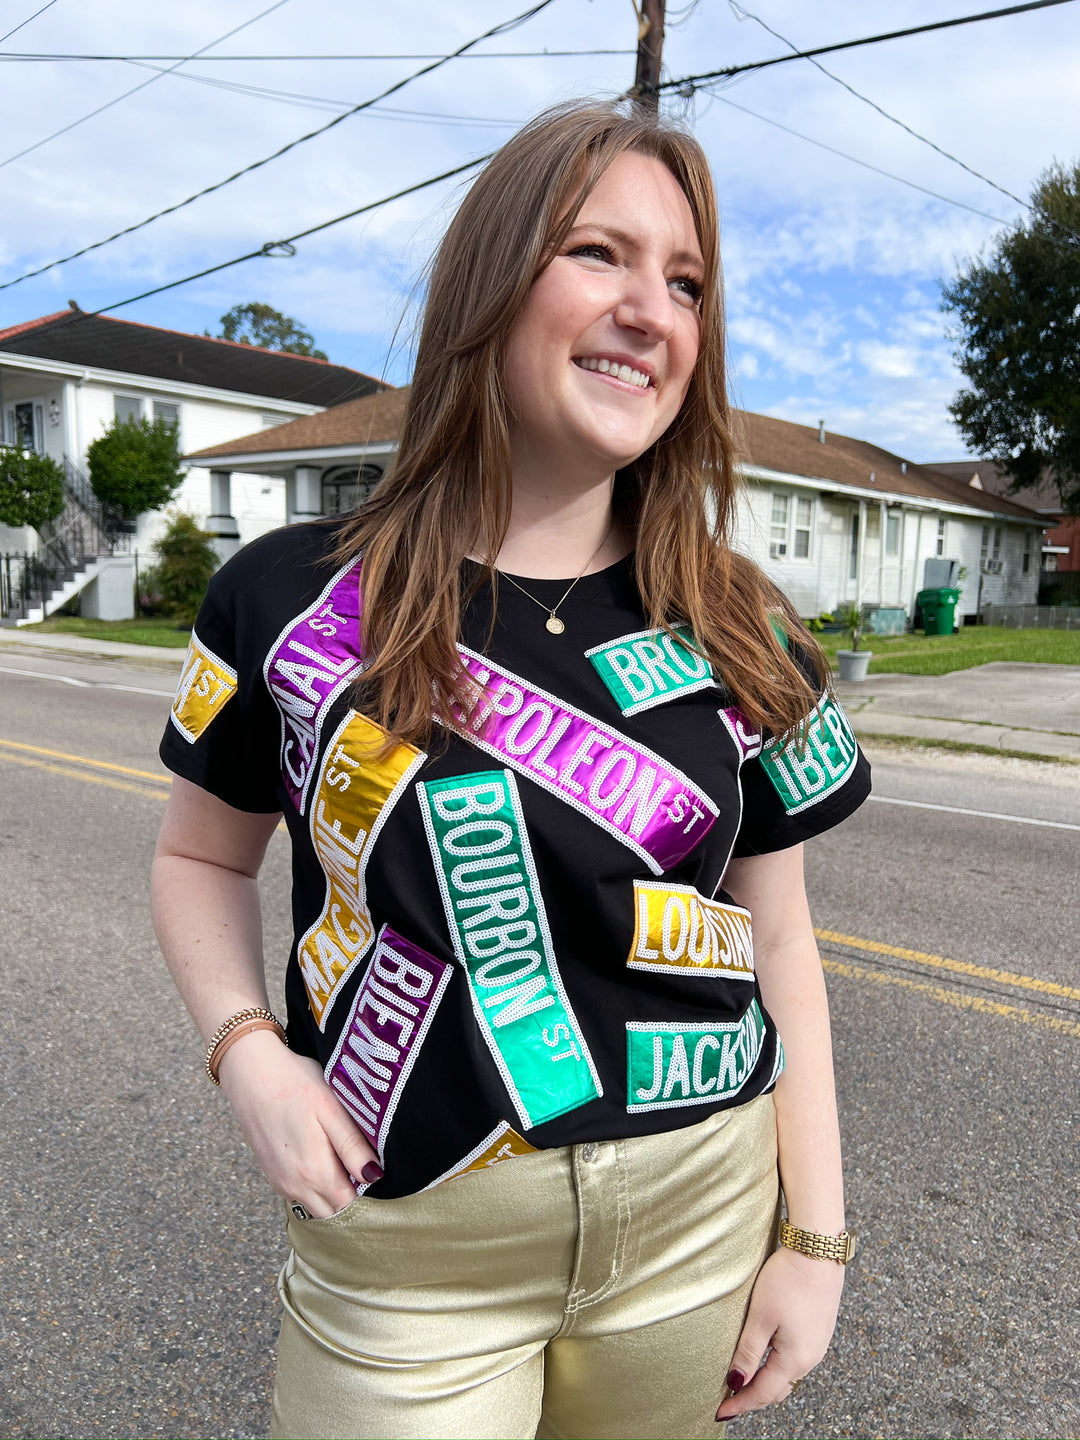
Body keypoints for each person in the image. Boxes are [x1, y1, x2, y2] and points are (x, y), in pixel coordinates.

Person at [153, 100, 870, 1440]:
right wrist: (247, 1053)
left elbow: (783, 947)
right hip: (413, 1246)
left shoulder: (744, 625)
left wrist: (814, 1240)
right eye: (599, 253)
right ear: (495, 282)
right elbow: (198, 856)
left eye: (687, 281)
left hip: (695, 1220)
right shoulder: (288, 600)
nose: (649, 307)